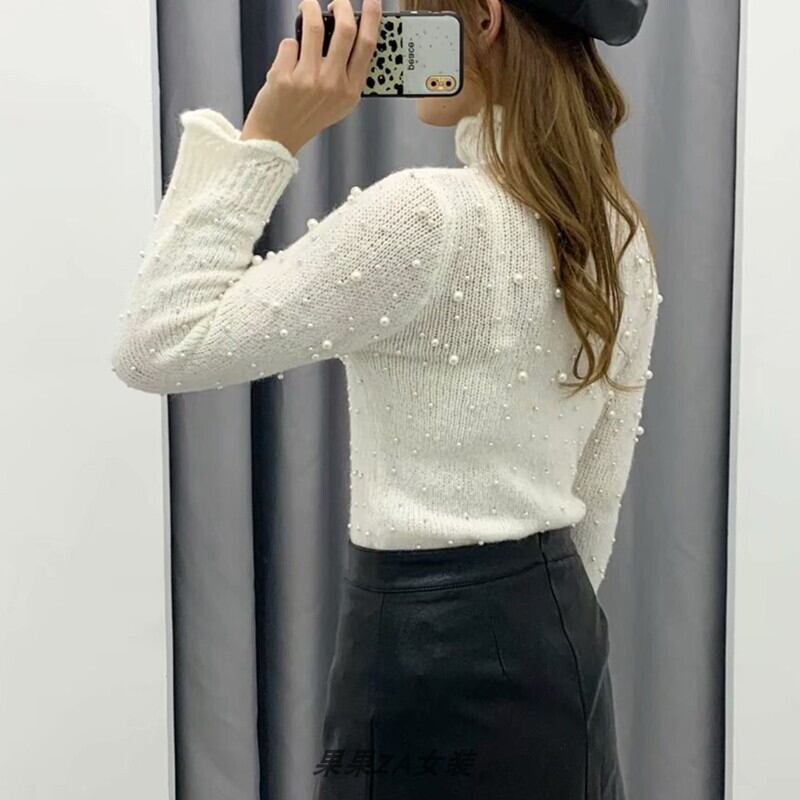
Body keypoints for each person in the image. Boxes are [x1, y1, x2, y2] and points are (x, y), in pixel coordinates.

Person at [111, 0, 658, 796]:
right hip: (562, 645)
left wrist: (266, 138)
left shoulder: (424, 217)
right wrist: (544, 635)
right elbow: (598, 491)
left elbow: (154, 342)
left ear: (484, 20)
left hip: (419, 655)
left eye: (414, 11)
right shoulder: (617, 234)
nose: (397, 30)